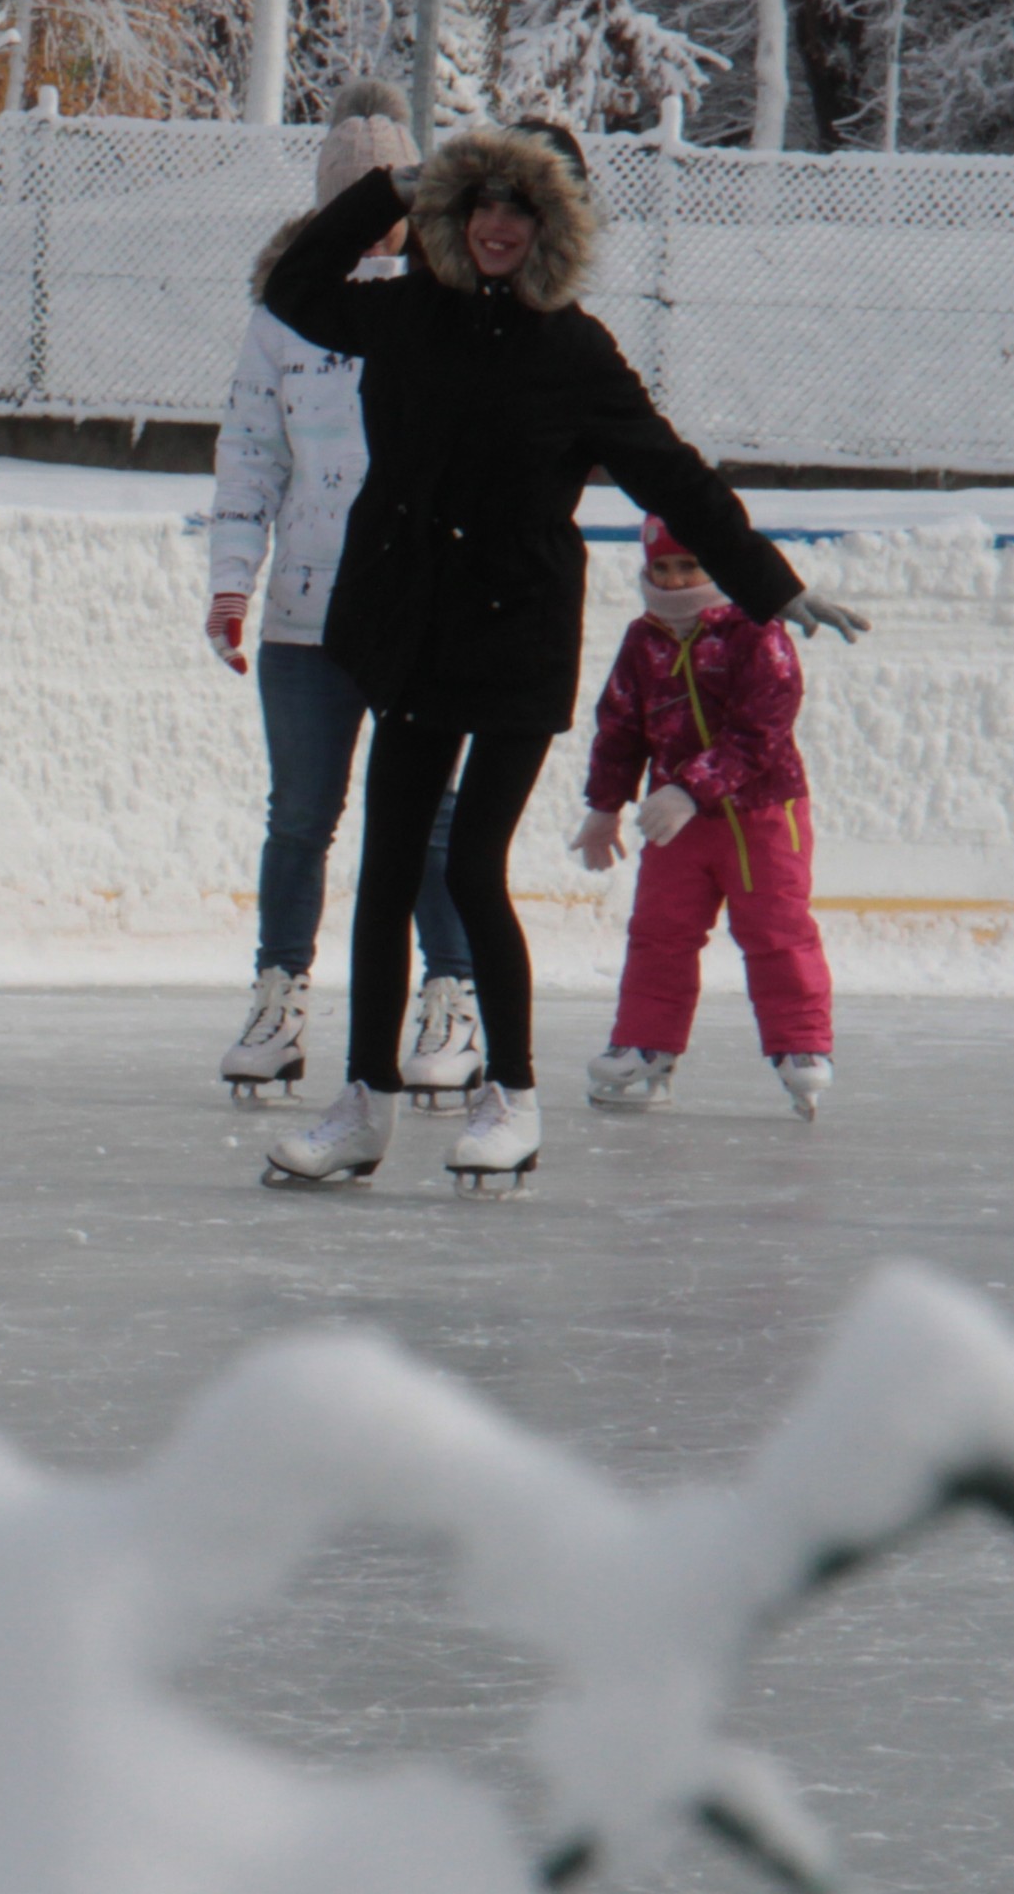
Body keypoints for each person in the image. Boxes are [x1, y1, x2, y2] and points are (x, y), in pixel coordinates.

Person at [251, 120, 868, 1195]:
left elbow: (672, 476)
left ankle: (512, 1099)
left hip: (512, 639)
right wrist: (387, 189)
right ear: (454, 213)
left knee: (468, 865)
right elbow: (290, 287)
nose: (498, 228)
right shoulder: (404, 313)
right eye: (481, 204)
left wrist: (769, 584)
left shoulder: (573, 351)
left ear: (551, 228)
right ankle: (363, 1106)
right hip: (409, 632)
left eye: (520, 210)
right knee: (385, 869)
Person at [210, 79, 482, 1110]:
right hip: (305, 617)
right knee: (298, 817)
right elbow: (249, 457)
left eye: (391, 210)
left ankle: (450, 994)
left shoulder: (447, 305)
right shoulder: (283, 317)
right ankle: (277, 999)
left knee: (428, 818)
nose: (373, 234)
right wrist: (231, 583)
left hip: (414, 615)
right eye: (352, 210)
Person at [572, 514, 837, 1118]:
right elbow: (619, 726)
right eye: (662, 568)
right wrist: (603, 808)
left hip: (762, 813)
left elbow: (762, 727)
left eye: (688, 565)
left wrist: (691, 789)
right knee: (659, 932)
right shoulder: (644, 639)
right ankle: (645, 1045)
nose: (673, 580)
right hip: (676, 823)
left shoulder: (757, 630)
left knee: (775, 929)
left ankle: (800, 1044)